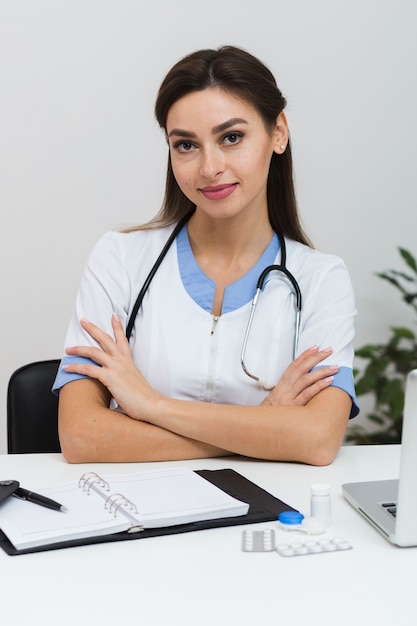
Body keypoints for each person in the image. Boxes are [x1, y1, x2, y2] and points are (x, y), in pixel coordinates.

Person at [54, 45, 359, 465]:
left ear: (278, 133)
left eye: (231, 137)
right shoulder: (119, 259)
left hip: (269, 515)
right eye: (186, 145)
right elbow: (80, 437)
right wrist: (264, 425)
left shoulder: (322, 280)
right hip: (143, 514)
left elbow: (318, 439)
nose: (209, 168)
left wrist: (150, 405)